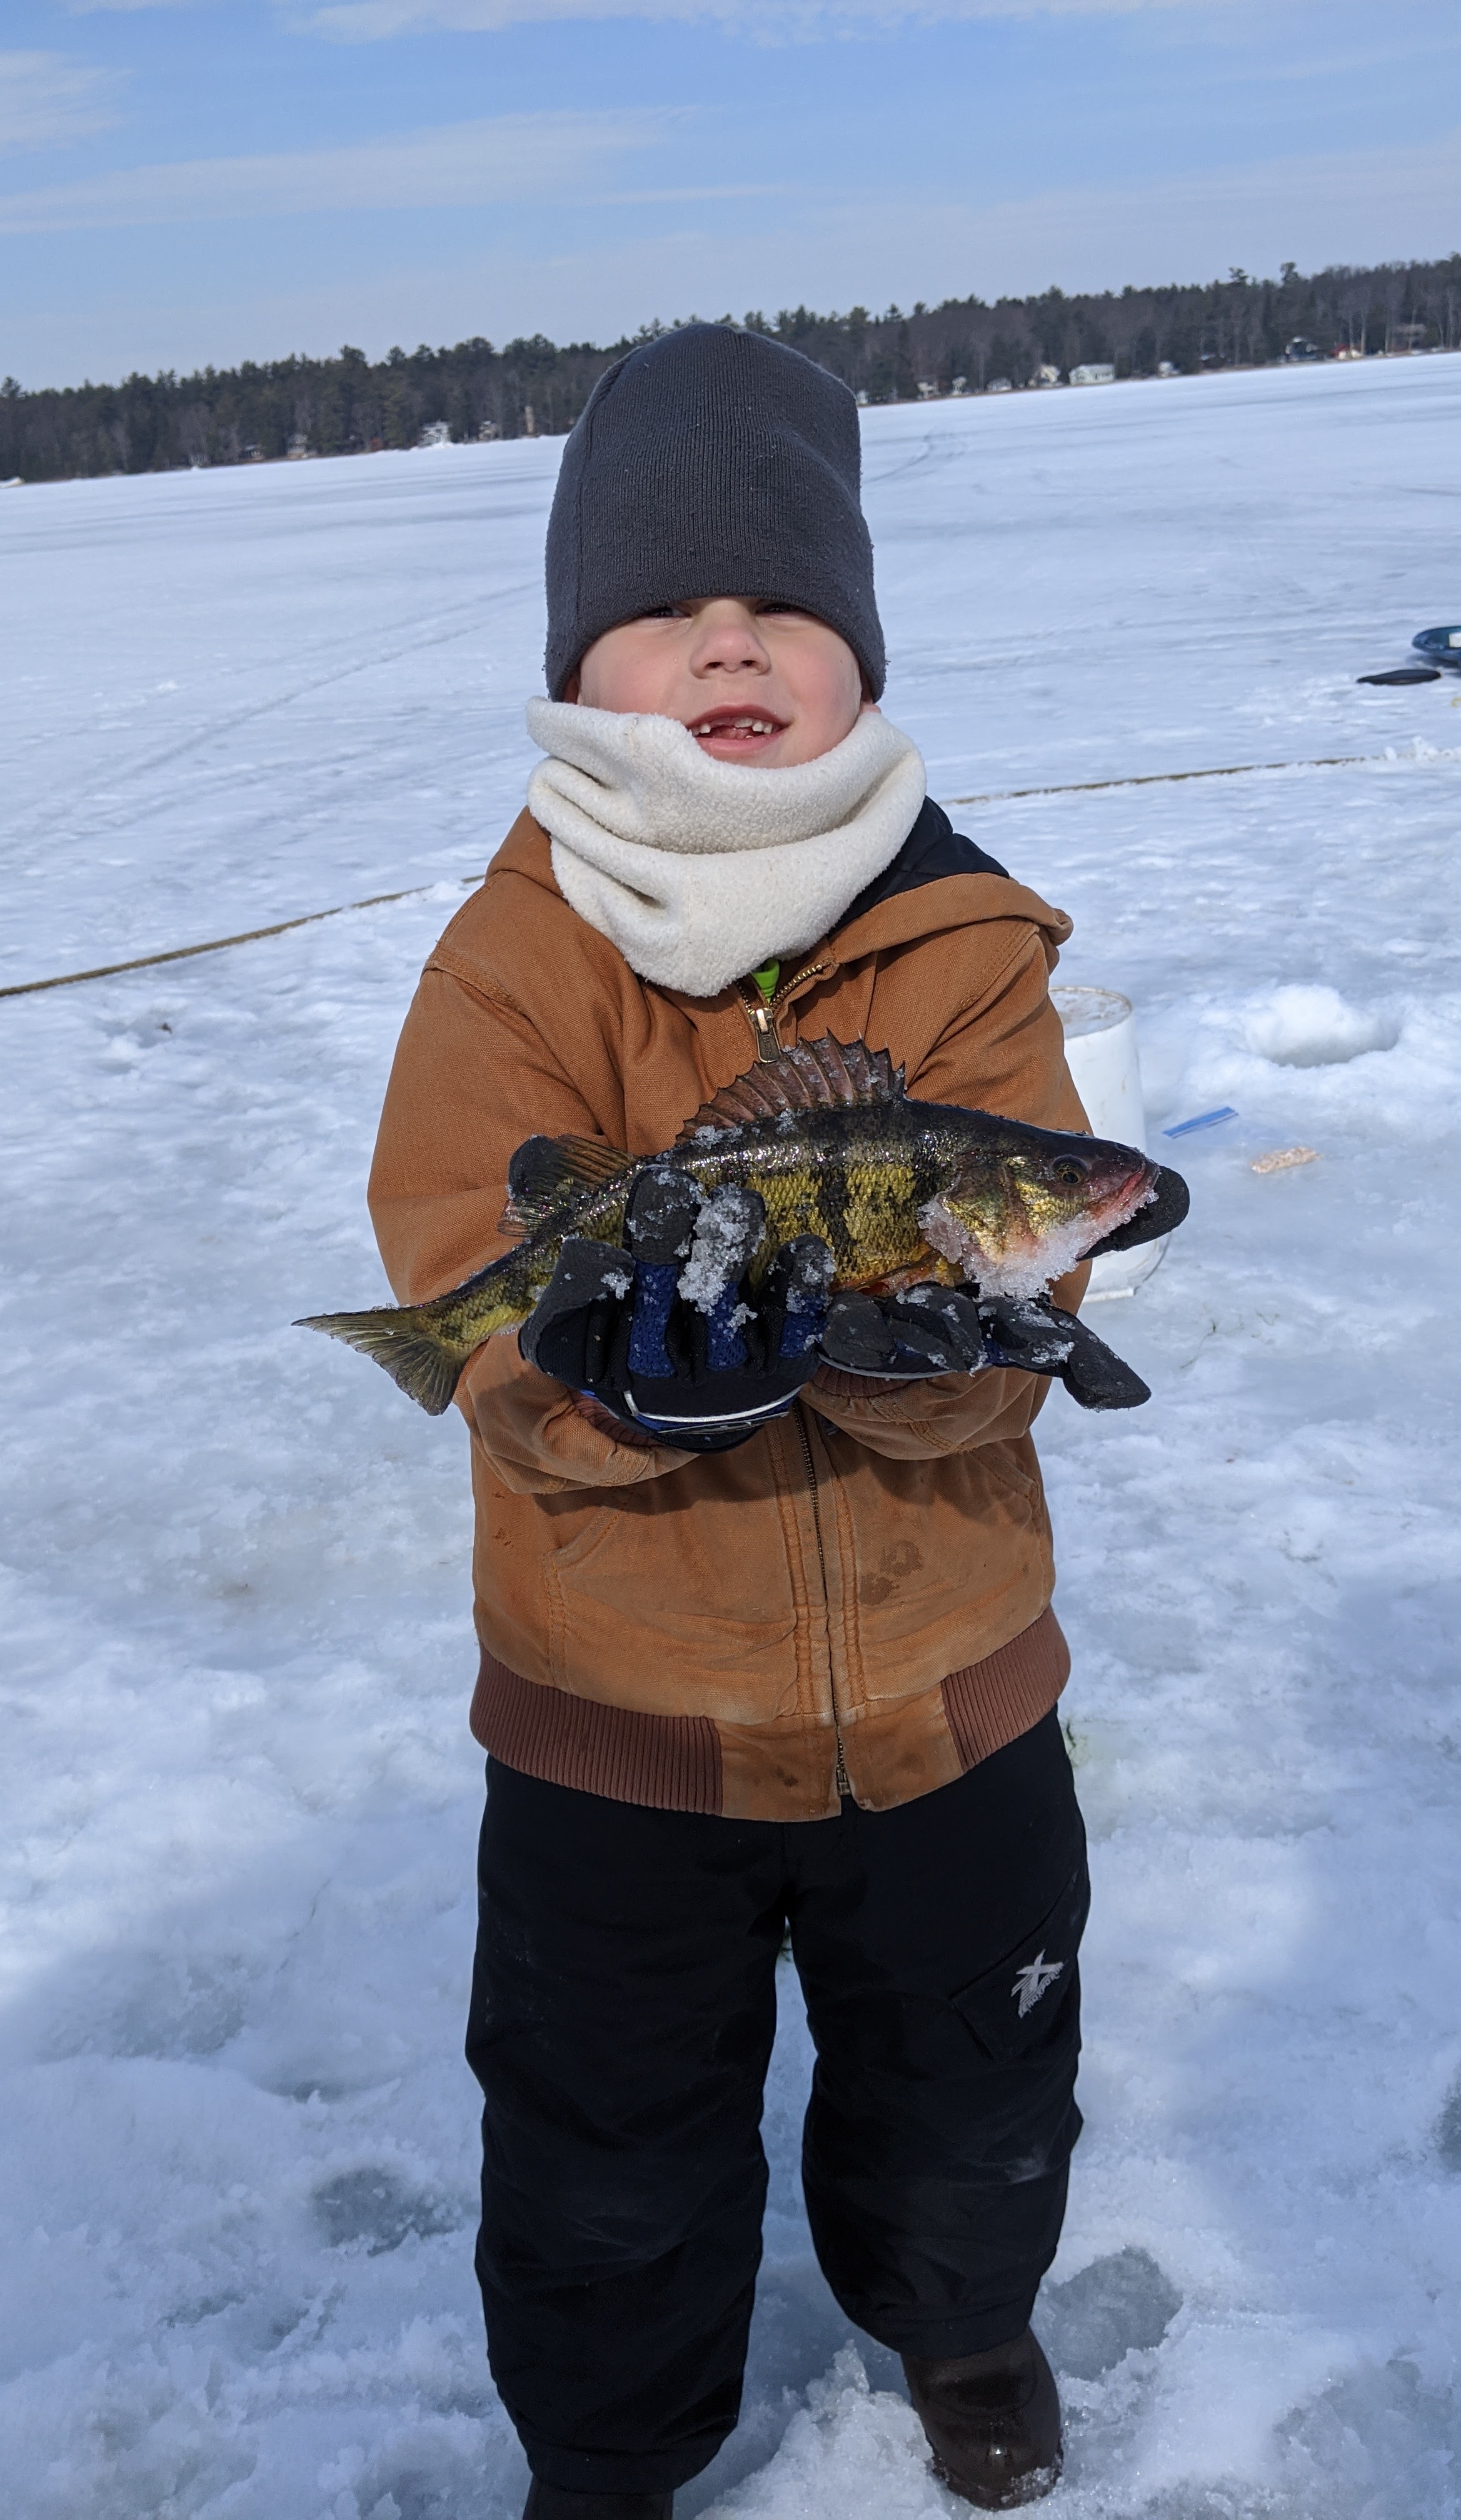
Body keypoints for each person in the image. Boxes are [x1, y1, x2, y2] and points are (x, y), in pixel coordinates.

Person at [366, 324, 1115, 2516]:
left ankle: (965, 2325)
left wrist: (933, 1352)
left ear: (858, 658)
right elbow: (464, 1288)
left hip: (947, 1694)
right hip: (619, 1720)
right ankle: (607, 2459)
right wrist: (602, 1385)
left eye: (786, 603)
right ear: (578, 662)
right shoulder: (516, 965)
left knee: (975, 2089)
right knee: (603, 2145)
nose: (730, 637)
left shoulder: (966, 940)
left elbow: (1017, 1249)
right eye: (670, 602)